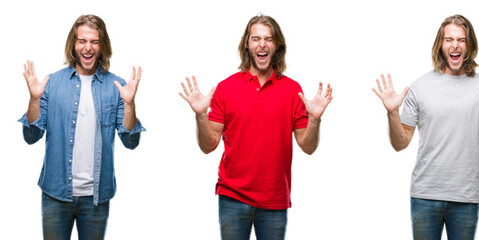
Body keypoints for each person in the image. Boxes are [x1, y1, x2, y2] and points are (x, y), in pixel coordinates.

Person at [372, 14, 479, 240]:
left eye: (461, 40)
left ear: (469, 45)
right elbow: (400, 143)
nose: (455, 45)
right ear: (441, 45)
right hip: (425, 195)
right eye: (449, 39)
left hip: (466, 198)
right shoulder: (420, 86)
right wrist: (392, 112)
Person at [178, 14, 332, 240]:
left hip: (274, 200)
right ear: (247, 45)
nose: (262, 44)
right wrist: (201, 115)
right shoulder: (226, 88)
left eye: (268, 39)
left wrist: (315, 119)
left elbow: (307, 146)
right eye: (256, 38)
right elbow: (208, 145)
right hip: (232, 197)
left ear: (277, 46)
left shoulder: (292, 90)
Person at [19, 14, 145, 240]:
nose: (88, 47)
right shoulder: (52, 83)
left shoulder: (116, 86)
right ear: (73, 45)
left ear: (102, 45)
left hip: (96, 198)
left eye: (94, 42)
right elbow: (31, 136)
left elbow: (131, 141)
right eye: (82, 41)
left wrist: (129, 103)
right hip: (55, 194)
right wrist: (34, 99)